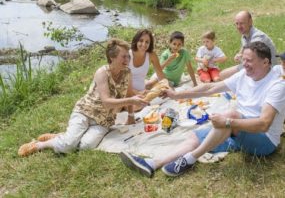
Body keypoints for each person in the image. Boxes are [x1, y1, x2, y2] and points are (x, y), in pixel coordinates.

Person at [120, 41, 285, 178]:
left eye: (249, 61)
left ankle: (189, 159)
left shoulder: (276, 85)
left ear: (265, 62)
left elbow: (264, 124)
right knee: (194, 136)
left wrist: (228, 121)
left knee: (230, 115)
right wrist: (176, 95)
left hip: (264, 141)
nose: (244, 64)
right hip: (237, 131)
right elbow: (209, 89)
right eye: (244, 60)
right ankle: (151, 164)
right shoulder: (243, 75)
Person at [18, 38, 148, 157]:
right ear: (112, 57)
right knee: (68, 146)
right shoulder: (102, 72)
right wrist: (132, 101)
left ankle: (60, 136)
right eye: (123, 57)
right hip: (85, 112)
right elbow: (107, 102)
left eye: (128, 56)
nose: (127, 60)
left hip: (104, 121)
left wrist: (131, 117)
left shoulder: (127, 72)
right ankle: (39, 145)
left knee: (86, 146)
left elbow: (129, 93)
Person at [220, 10, 277, 79]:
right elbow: (242, 52)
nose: (238, 26)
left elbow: (251, 59)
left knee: (224, 75)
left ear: (250, 22)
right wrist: (239, 55)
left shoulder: (258, 38)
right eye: (237, 24)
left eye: (241, 23)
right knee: (223, 75)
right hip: (252, 66)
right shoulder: (245, 35)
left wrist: (241, 57)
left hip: (266, 70)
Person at [129, 29, 165, 94]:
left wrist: (166, 87)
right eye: (141, 41)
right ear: (136, 41)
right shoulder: (127, 55)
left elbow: (161, 76)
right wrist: (138, 93)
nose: (143, 44)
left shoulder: (152, 55)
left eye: (147, 42)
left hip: (143, 92)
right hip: (127, 94)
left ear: (150, 44)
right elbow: (121, 83)